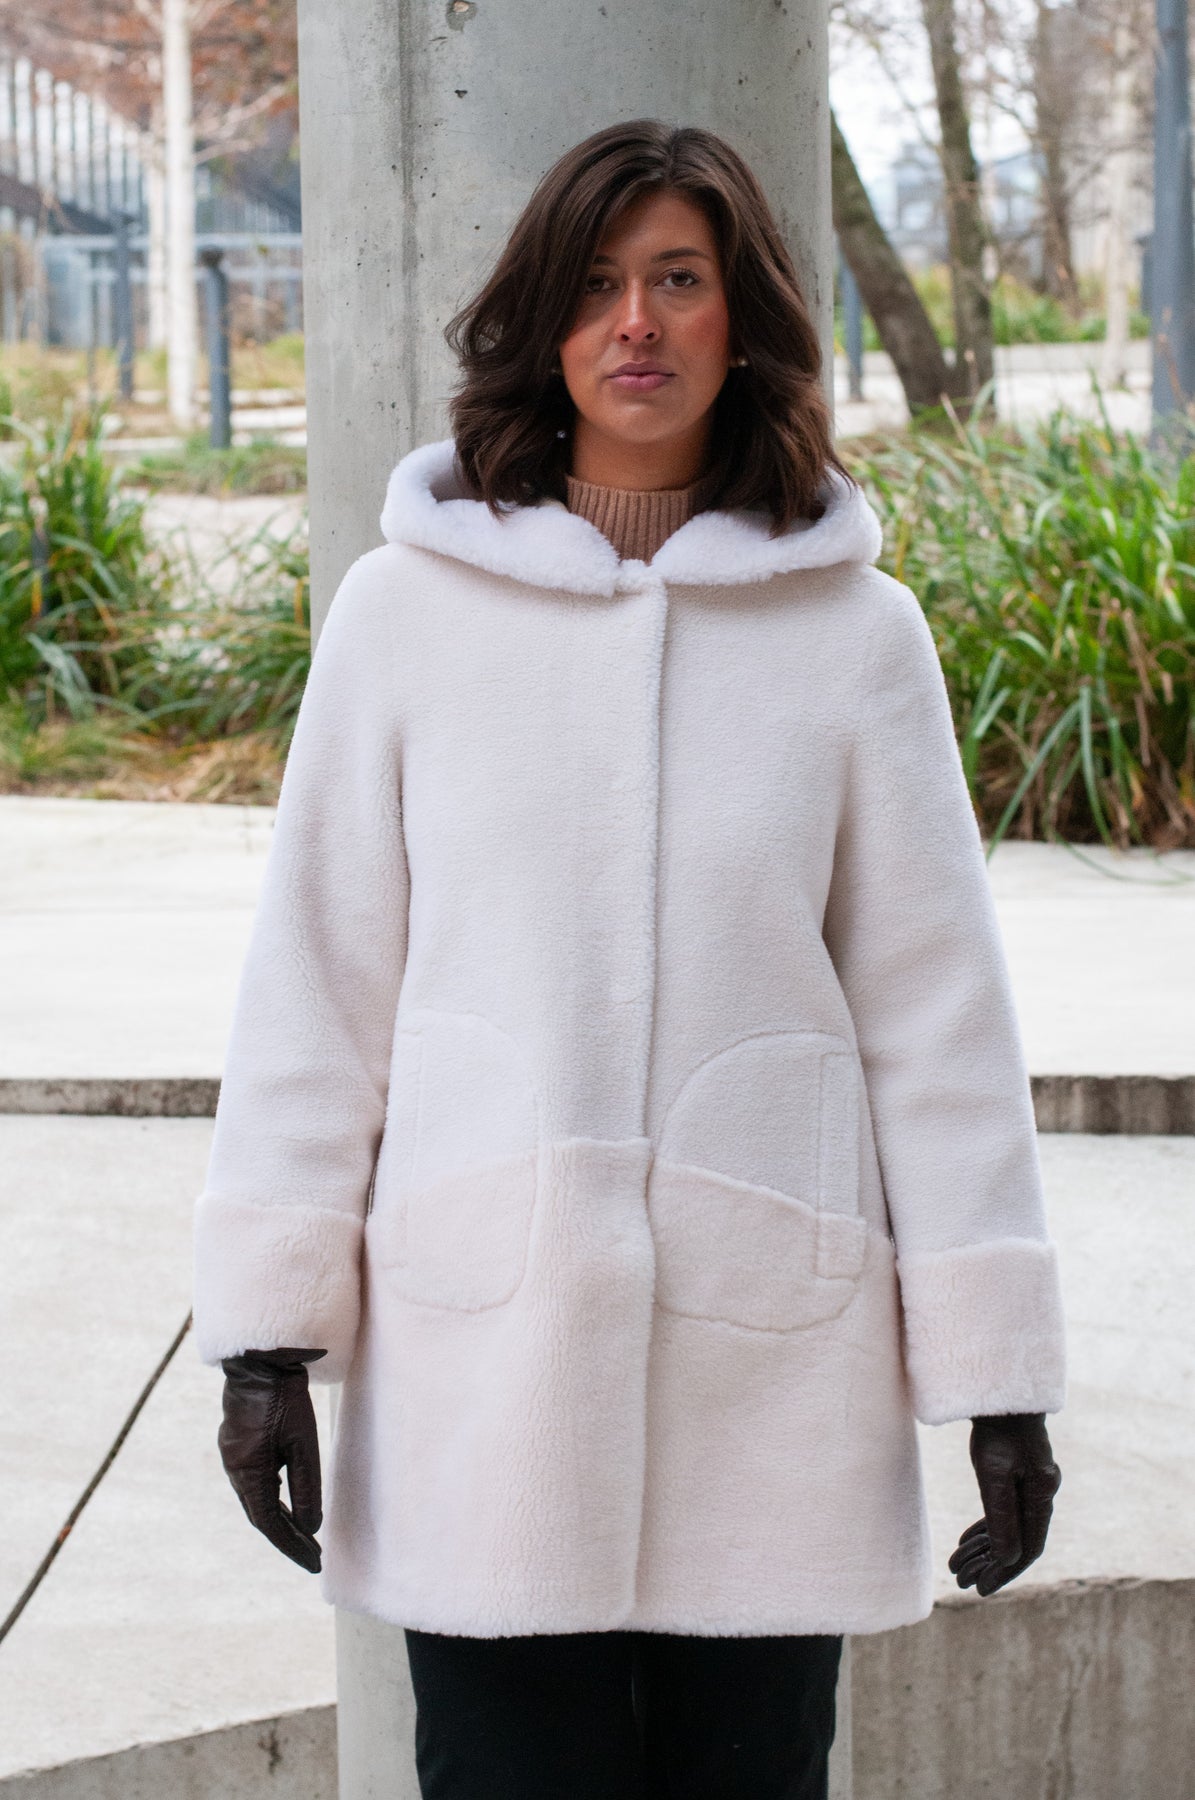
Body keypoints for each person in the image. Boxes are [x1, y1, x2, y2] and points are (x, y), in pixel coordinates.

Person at [194, 120, 1065, 1799]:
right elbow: (319, 989)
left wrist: (1000, 1380)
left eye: (680, 279)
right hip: (483, 1365)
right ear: (544, 321)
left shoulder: (856, 638)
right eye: (597, 285)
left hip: (772, 1370)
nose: (637, 324)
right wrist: (263, 1340)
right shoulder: (405, 615)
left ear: (748, 320)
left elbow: (937, 1022)